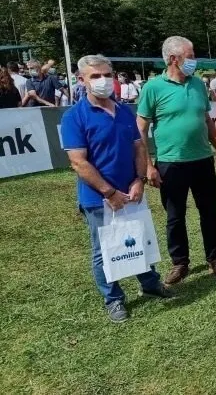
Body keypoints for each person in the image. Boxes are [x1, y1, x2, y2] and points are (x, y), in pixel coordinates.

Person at [61, 54, 174, 323]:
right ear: (82, 80)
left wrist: (139, 179)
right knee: (104, 251)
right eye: (95, 76)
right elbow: (78, 162)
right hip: (98, 198)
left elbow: (138, 146)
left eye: (106, 75)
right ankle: (113, 299)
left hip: (132, 192)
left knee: (140, 238)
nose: (103, 81)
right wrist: (109, 193)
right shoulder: (74, 117)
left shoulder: (123, 110)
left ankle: (150, 283)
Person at [136, 36, 216, 286]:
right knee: (175, 216)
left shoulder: (198, 85)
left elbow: (207, 121)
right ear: (173, 59)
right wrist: (147, 166)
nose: (194, 60)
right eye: (190, 55)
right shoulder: (152, 88)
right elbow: (141, 130)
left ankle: (215, 258)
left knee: (209, 212)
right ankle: (180, 262)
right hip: (170, 163)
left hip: (202, 160)